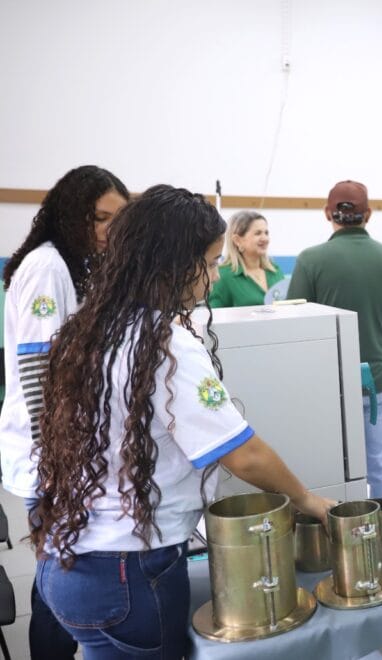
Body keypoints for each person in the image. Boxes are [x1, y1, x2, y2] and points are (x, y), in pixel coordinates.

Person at [30, 185, 333, 658]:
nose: (214, 277)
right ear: (172, 263)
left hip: (65, 563)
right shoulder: (164, 341)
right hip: (128, 575)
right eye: (211, 262)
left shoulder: (90, 327)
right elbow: (243, 453)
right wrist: (306, 498)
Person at [0, 165, 129, 660]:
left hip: (65, 452)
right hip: (47, 455)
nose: (108, 231)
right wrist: (58, 465)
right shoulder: (49, 266)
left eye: (117, 221)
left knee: (60, 575)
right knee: (57, 581)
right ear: (72, 216)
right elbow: (38, 373)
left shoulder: (78, 266)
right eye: (100, 219)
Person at [288, 180, 382, 501]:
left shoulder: (310, 261)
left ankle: (336, 534)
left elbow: (295, 329)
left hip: (326, 389)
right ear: (368, 215)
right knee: (380, 465)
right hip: (377, 383)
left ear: (327, 213)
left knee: (329, 467)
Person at [208, 210, 284, 307]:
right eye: (258, 233)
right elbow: (214, 316)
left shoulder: (275, 271)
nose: (265, 238)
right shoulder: (223, 276)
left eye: (266, 233)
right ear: (237, 240)